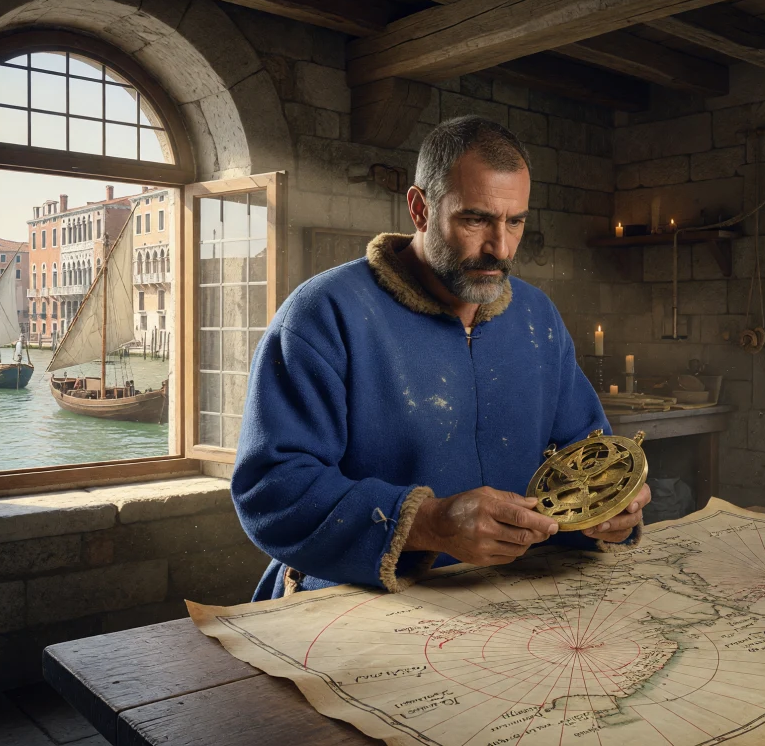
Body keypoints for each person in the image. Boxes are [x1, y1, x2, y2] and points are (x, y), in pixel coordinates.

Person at [232, 116, 649, 600]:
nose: (500, 248)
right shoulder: (323, 314)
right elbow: (272, 491)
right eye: (476, 219)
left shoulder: (538, 316)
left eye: (515, 222)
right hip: (352, 605)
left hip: (517, 601)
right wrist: (429, 523)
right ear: (419, 207)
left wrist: (612, 508)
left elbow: (584, 454)